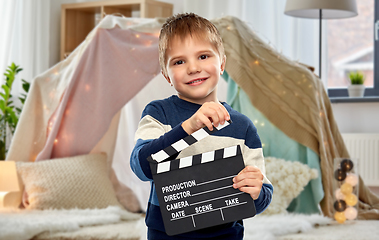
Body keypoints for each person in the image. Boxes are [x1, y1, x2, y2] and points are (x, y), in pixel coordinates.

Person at [130, 12, 273, 239]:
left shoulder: (243, 128)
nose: (193, 68)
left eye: (204, 56)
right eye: (179, 61)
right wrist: (188, 128)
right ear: (167, 75)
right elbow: (142, 167)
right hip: (167, 234)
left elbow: (260, 197)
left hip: (226, 233)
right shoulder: (159, 113)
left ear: (222, 64)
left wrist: (256, 193)